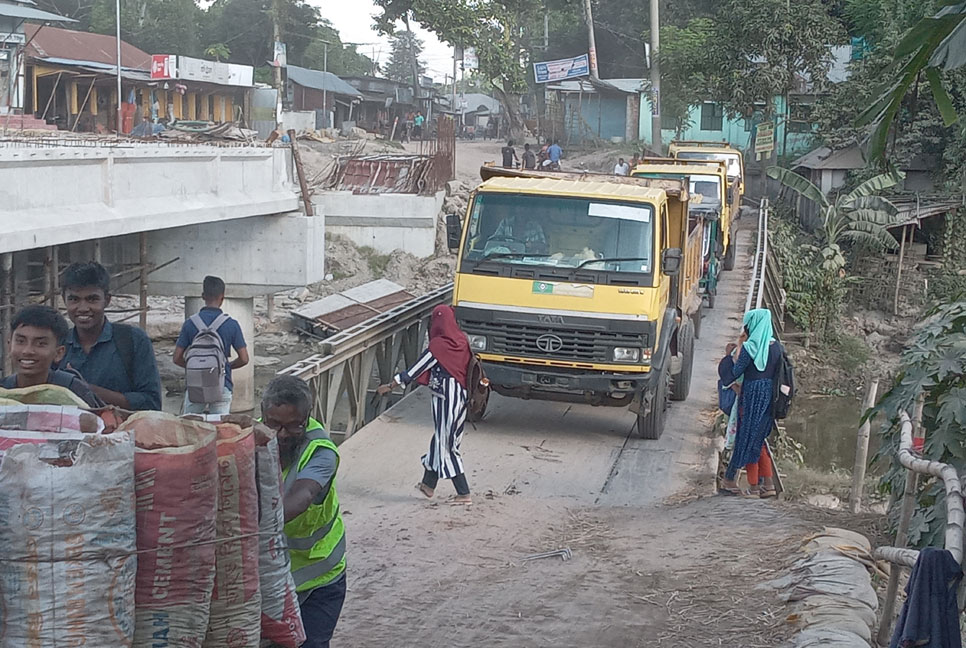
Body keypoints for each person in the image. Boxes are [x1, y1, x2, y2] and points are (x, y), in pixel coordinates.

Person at [261, 375, 346, 648]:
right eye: (274, 425)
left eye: (292, 427)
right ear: (263, 415)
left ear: (307, 418)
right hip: (273, 580)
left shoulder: (321, 452)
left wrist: (249, 525)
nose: (281, 435)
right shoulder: (253, 439)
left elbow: (303, 496)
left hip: (319, 579)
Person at [377, 306, 472, 505]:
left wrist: (390, 385)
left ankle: (463, 493)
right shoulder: (462, 340)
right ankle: (428, 484)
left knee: (445, 444)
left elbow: (415, 369)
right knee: (443, 437)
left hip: (445, 398)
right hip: (461, 397)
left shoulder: (437, 346)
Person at [58, 262, 162, 411]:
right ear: (64, 299)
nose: (83, 308)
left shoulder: (133, 340)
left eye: (92, 299)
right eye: (74, 299)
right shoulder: (57, 344)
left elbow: (151, 403)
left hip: (123, 432)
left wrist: (84, 389)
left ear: (107, 300)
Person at [718, 309, 782, 498]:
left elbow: (736, 372)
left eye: (748, 324)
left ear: (753, 325)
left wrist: (729, 356)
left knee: (745, 437)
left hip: (751, 395)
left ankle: (746, 485)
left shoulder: (750, 347)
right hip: (769, 396)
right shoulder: (777, 347)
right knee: (758, 437)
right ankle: (767, 485)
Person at [173, 275, 249, 414]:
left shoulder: (190, 323)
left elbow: (177, 358)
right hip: (222, 384)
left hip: (195, 385)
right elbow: (244, 359)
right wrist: (225, 367)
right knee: (221, 429)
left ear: (203, 296)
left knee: (190, 427)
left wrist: (194, 368)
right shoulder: (231, 324)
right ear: (222, 297)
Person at [1, 305, 100, 407]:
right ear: (9, 346)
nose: (27, 351)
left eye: (41, 344)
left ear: (59, 353)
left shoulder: (73, 391)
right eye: (20, 341)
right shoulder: (3, 391)